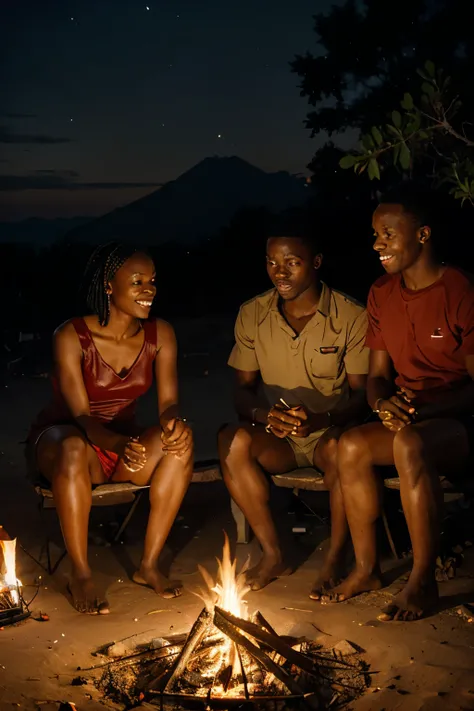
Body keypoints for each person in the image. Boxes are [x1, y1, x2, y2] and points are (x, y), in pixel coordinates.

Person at [327, 184, 474, 621]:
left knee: (410, 443)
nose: (378, 243)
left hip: (457, 421)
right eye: (375, 234)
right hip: (409, 418)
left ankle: (423, 580)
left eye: (388, 233)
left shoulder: (460, 290)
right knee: (350, 446)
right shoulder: (381, 292)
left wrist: (421, 412)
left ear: (423, 234)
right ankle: (368, 569)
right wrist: (382, 406)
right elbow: (375, 378)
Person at [27, 242, 194, 614]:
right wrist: (118, 443)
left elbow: (168, 404)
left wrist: (174, 424)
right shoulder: (71, 336)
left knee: (180, 443)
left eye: (152, 281)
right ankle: (81, 573)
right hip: (66, 442)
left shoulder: (160, 334)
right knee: (71, 446)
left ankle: (148, 565)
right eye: (136, 282)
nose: (148, 290)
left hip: (122, 442)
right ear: (108, 285)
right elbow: (82, 418)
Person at [218, 219, 370, 593]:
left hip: (328, 432)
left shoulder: (351, 316)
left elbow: (363, 396)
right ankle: (274, 553)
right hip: (278, 438)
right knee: (231, 441)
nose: (279, 272)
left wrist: (321, 418)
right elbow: (242, 392)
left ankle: (335, 555)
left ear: (316, 261)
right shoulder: (253, 314)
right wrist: (263, 415)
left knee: (342, 451)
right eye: (271, 262)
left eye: (291, 262)